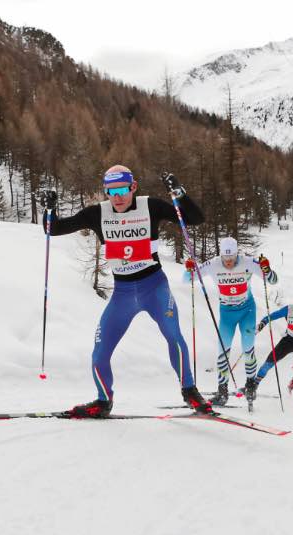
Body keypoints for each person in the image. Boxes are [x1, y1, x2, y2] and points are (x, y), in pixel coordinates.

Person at [41, 165, 211, 418]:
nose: (117, 197)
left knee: (174, 336)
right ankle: (102, 401)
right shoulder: (97, 213)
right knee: (99, 352)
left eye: (122, 190)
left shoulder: (150, 206)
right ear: (106, 192)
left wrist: (179, 194)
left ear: (133, 187)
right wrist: (49, 210)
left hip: (154, 287)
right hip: (122, 294)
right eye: (111, 191)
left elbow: (196, 219)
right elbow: (52, 229)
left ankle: (190, 392)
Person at [184, 237, 277, 405]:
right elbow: (186, 279)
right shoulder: (213, 264)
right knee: (223, 351)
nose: (228, 263)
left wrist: (267, 269)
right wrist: (189, 269)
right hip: (226, 314)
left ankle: (250, 386)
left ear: (236, 254)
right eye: (225, 259)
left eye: (232, 259)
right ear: (221, 255)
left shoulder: (248, 262)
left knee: (248, 348)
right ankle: (222, 392)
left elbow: (273, 280)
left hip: (247, 311)